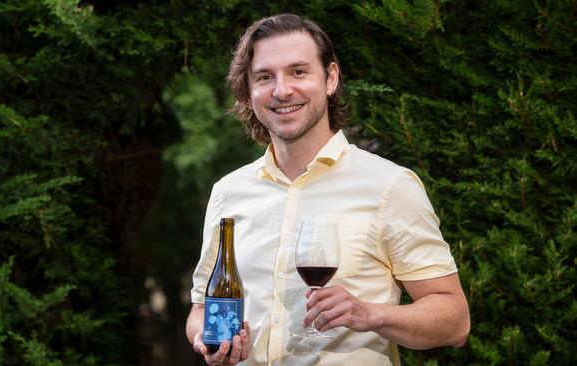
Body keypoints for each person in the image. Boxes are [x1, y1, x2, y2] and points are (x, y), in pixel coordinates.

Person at [185, 13, 470, 366]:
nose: (281, 90)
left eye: (298, 72)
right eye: (264, 77)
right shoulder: (228, 193)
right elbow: (201, 308)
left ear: (330, 78)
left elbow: (455, 321)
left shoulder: (389, 186)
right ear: (249, 91)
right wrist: (206, 339)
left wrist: (371, 314)